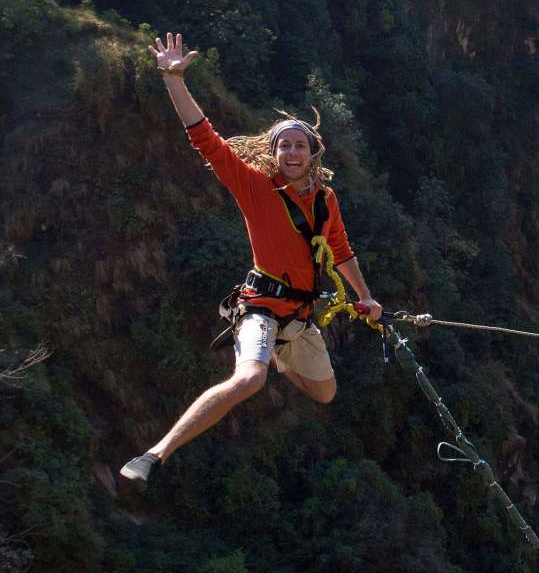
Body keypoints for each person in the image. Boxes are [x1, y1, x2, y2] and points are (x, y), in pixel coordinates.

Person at [120, 32, 382, 485]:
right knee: (249, 381)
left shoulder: (325, 200)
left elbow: (340, 251)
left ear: (313, 153)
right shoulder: (256, 188)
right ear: (273, 153)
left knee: (324, 393)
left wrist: (366, 298)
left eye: (300, 145)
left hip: (299, 313)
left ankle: (277, 354)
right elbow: (205, 139)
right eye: (285, 146)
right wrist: (173, 79)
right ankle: (155, 454)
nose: (293, 152)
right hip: (260, 306)